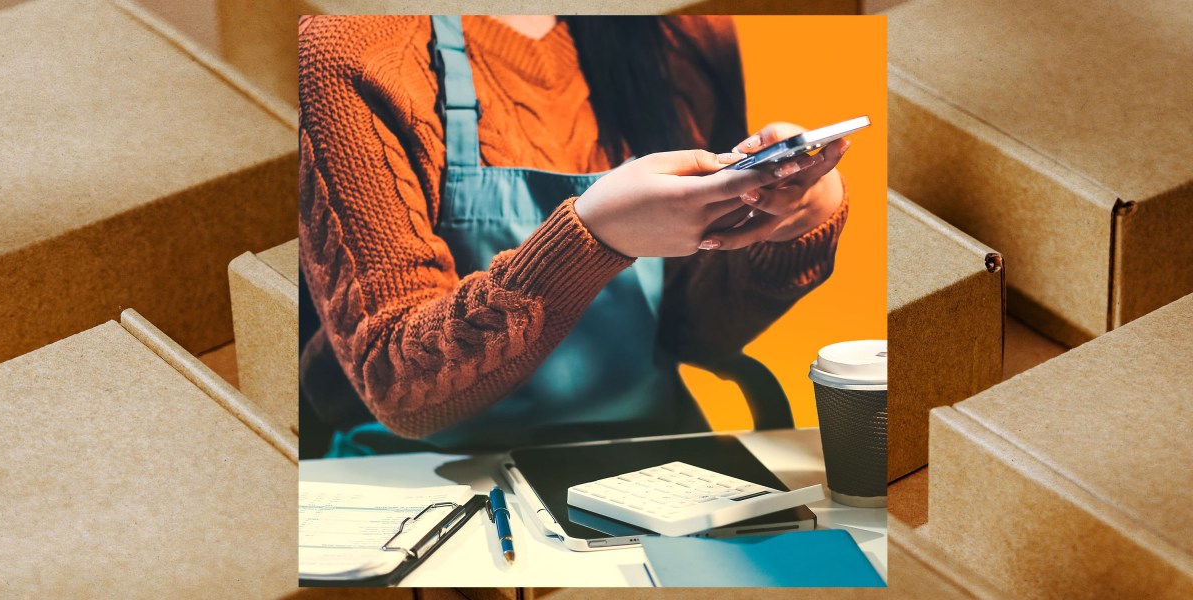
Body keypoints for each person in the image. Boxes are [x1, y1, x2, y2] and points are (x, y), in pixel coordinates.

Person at [298, 15, 851, 456]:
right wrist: (594, 237)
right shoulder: (352, 48)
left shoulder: (685, 36)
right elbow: (399, 387)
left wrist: (787, 226)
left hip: (643, 454)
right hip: (425, 478)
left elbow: (688, 335)